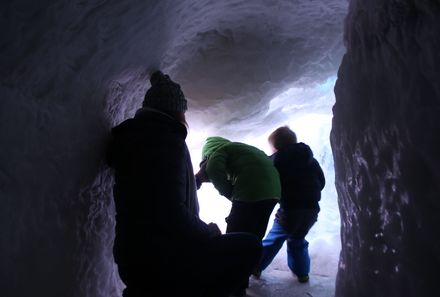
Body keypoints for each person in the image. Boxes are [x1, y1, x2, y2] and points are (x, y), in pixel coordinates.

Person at [106, 71, 261, 297]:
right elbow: (171, 213)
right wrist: (209, 232)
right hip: (163, 259)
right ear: (175, 111)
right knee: (249, 247)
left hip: (133, 258)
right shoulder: (166, 142)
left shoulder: (135, 139)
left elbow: (158, 194)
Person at [195, 136, 281, 296]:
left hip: (251, 189)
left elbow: (213, 169)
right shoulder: (241, 149)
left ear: (207, 155)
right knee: (253, 236)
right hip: (273, 192)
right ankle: (244, 277)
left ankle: (234, 285)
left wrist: (231, 194)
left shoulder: (217, 154)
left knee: (235, 236)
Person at [253, 126, 325, 283]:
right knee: (297, 240)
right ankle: (302, 273)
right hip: (312, 211)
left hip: (290, 210)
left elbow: (270, 182)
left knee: (273, 240)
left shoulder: (276, 160)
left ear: (276, 147)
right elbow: (322, 181)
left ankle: (255, 267)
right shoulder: (311, 160)